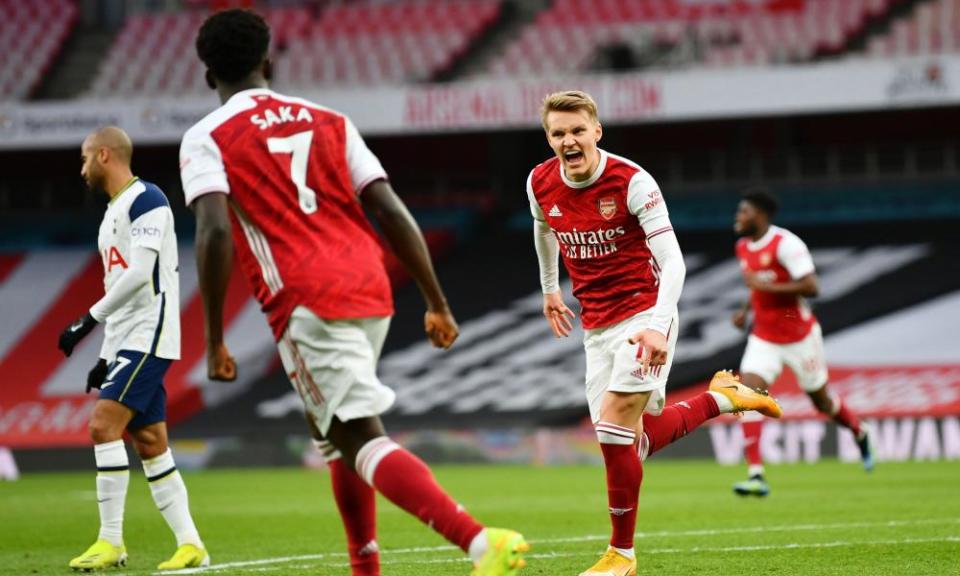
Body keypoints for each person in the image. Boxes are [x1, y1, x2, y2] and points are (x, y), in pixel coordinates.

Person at [179, 9, 527, 576]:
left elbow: (215, 230)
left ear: (206, 74)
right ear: (269, 61)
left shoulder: (206, 137)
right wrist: (435, 299)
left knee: (358, 436)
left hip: (306, 298)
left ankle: (480, 542)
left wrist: (216, 337)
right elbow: (389, 208)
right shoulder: (331, 121)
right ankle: (364, 567)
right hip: (369, 284)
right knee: (335, 435)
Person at [528, 90, 783, 576]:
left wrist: (659, 325)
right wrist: (549, 289)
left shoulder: (632, 181)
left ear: (596, 131)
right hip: (596, 323)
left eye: (577, 130)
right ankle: (723, 399)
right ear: (549, 139)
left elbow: (673, 261)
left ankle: (621, 555)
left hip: (645, 315)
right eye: (558, 133)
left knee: (611, 430)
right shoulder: (539, 180)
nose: (568, 141)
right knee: (630, 442)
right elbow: (543, 228)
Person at [58, 126, 208, 571]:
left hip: (150, 333)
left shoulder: (148, 199)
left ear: (104, 154)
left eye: (85, 159)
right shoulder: (112, 214)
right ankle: (191, 544)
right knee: (149, 441)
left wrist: (86, 320)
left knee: (103, 426)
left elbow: (141, 273)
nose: (82, 169)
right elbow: (117, 285)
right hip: (129, 336)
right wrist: (105, 356)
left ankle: (110, 541)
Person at [730, 188, 874, 497]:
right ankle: (756, 474)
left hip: (799, 336)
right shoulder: (742, 247)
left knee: (821, 401)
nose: (737, 217)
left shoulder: (787, 245)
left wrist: (768, 286)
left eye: (743, 211)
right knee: (747, 394)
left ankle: (860, 431)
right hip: (764, 336)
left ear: (760, 214)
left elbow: (811, 286)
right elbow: (756, 286)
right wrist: (745, 311)